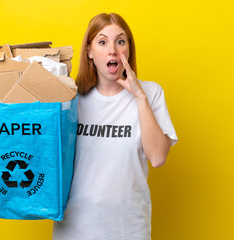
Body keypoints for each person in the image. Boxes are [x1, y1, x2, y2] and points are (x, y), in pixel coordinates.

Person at [53, 13, 178, 240]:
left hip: (128, 229)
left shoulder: (151, 93)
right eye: (102, 42)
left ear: (128, 49)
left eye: (120, 41)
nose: (112, 50)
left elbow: (158, 157)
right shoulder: (70, 98)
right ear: (89, 52)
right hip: (75, 229)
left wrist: (139, 97)